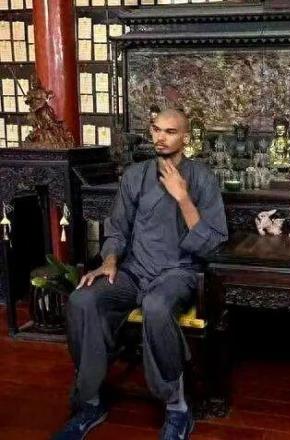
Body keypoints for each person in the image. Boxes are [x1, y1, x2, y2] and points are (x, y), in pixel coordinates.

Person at [53, 108, 228, 440]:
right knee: (82, 300)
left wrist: (183, 197)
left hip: (177, 272)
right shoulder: (135, 175)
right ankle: (90, 400)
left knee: (156, 306)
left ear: (185, 137)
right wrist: (109, 260)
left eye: (170, 132)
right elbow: (118, 229)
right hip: (134, 271)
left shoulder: (202, 178)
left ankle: (177, 408)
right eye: (157, 129)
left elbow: (212, 244)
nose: (161, 137)